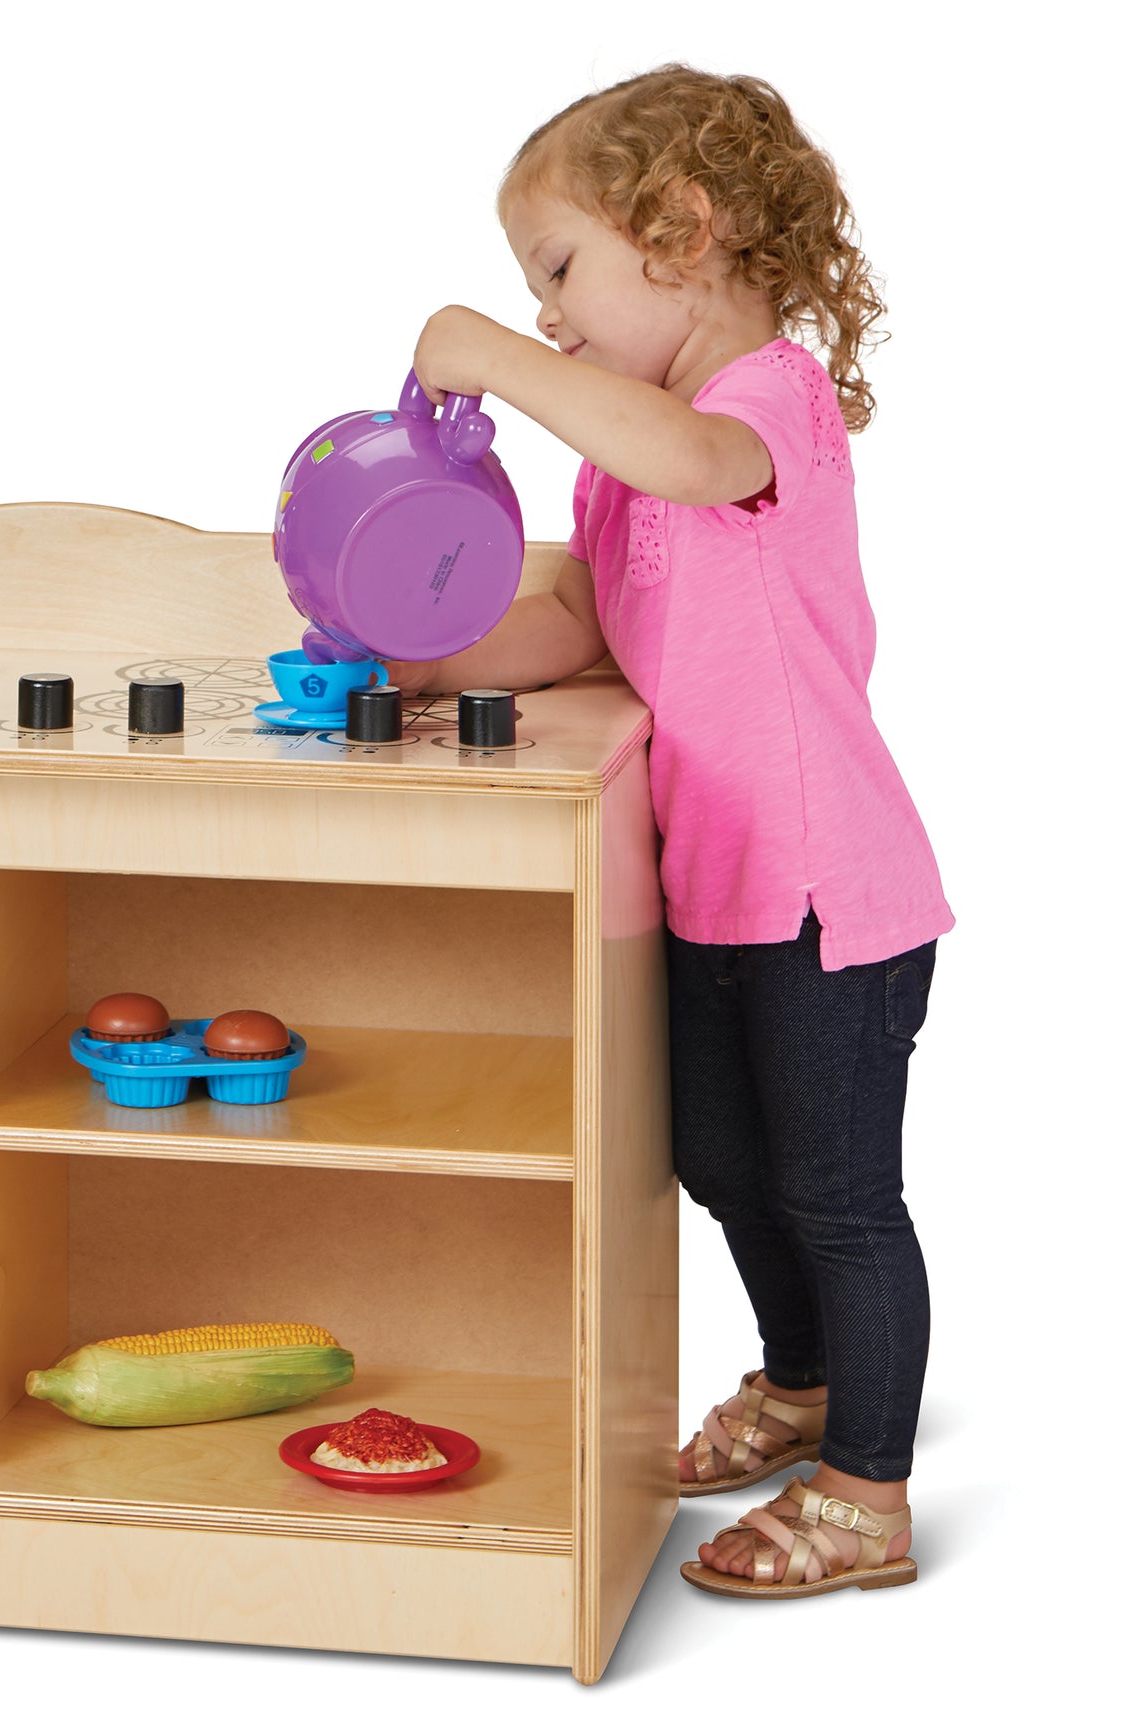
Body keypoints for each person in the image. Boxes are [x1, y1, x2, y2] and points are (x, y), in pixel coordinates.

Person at [386, 64, 952, 1598]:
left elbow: (688, 463)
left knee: (839, 1196)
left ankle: (867, 1492)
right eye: (531, 289)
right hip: (711, 883)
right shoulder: (621, 460)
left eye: (560, 268)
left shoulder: (765, 401)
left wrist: (495, 357)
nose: (546, 309)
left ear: (683, 232)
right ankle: (805, 1379)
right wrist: (425, 665)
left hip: (828, 888)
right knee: (718, 1157)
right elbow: (583, 614)